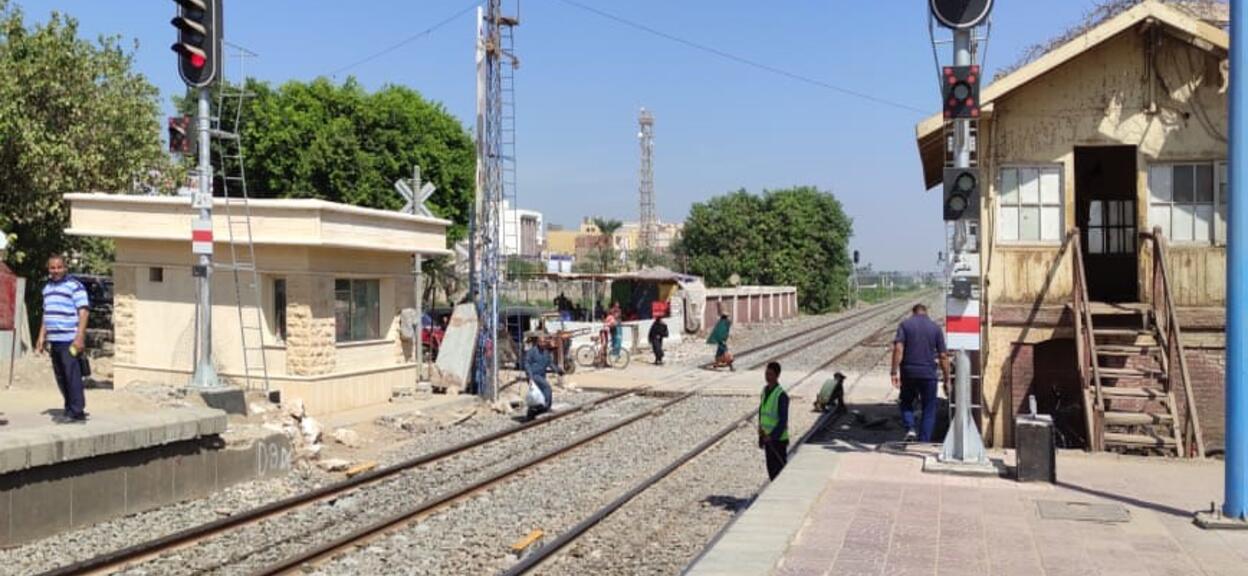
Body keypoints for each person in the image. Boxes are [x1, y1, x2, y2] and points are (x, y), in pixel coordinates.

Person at [35, 254, 90, 422]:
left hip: (69, 338)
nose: (56, 271)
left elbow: (84, 311)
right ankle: (69, 408)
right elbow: (47, 313)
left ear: (65, 268)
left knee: (72, 374)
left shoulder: (75, 286)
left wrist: (79, 336)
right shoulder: (47, 288)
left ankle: (77, 411)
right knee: (61, 376)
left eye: (59, 267)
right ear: (48, 269)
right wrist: (41, 336)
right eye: (52, 267)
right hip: (55, 339)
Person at [891, 303, 949, 442]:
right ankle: (924, 441)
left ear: (913, 312)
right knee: (929, 408)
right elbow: (943, 356)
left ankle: (910, 428)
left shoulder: (905, 325)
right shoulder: (935, 328)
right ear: (926, 313)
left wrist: (894, 371)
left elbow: (898, 349)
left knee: (906, 401)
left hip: (908, 372)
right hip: (929, 374)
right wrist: (947, 378)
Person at [758, 362, 789, 480]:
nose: (767, 376)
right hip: (767, 439)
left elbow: (783, 421)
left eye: (770, 374)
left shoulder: (781, 395)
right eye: (766, 373)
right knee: (771, 470)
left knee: (780, 471)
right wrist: (761, 436)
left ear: (777, 376)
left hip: (778, 441)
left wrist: (772, 436)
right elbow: (762, 413)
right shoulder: (765, 391)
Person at [524, 335, 560, 420]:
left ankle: (533, 412)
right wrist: (530, 376)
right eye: (541, 342)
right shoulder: (532, 352)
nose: (543, 344)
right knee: (547, 388)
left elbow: (550, 363)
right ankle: (546, 407)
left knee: (539, 395)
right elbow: (527, 364)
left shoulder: (546, 352)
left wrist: (558, 370)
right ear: (537, 342)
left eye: (544, 342)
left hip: (541, 376)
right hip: (534, 376)